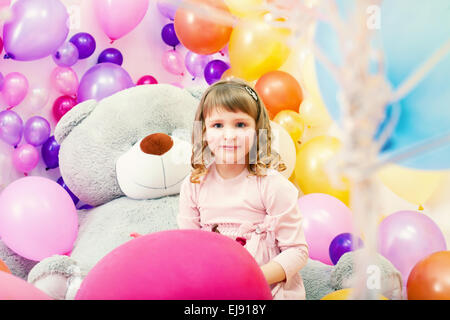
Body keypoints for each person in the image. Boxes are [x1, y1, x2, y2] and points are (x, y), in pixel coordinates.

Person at [177, 79, 309, 299]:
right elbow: (187, 248)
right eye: (217, 125)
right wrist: (157, 250)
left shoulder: (272, 185)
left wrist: (251, 276)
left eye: (241, 124)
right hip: (214, 289)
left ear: (258, 130)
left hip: (266, 288)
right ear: (204, 132)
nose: (229, 135)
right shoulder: (193, 185)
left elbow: (297, 252)